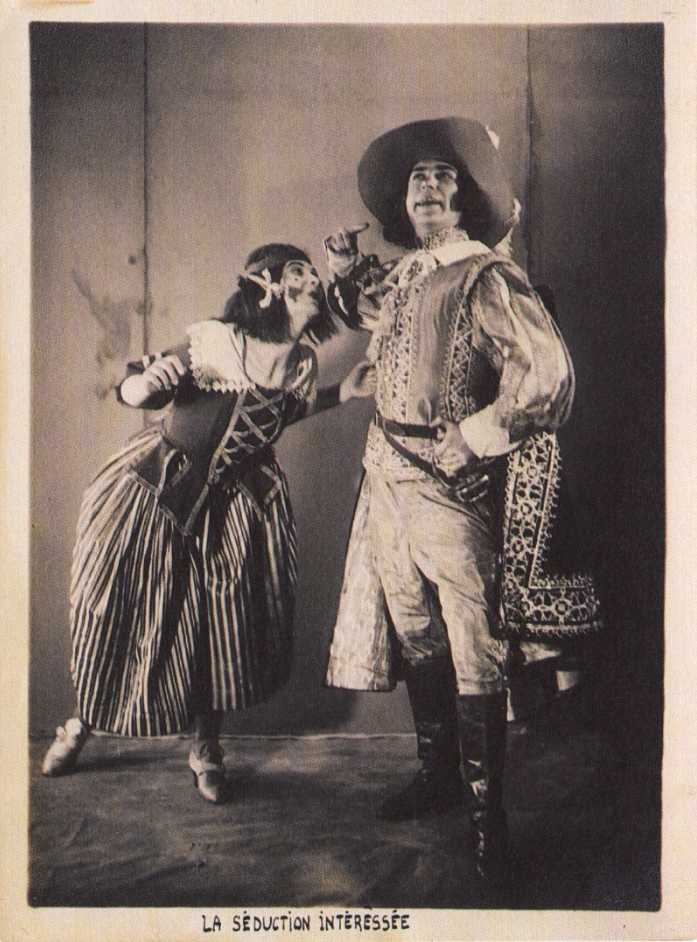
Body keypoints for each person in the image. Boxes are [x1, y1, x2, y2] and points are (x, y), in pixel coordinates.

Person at [323, 117, 601, 891]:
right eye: (416, 178)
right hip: (385, 473)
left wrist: (474, 437)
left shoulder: (486, 276)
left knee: (472, 642)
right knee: (414, 629)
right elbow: (369, 314)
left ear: (466, 199)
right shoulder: (408, 274)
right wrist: (343, 270)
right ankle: (437, 774)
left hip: (448, 484)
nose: (426, 188)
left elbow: (547, 375)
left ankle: (488, 820)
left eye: (442, 177)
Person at [41, 242, 375, 804]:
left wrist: (342, 392)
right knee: (128, 614)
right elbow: (137, 386)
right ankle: (79, 726)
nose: (314, 281)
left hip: (237, 507)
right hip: (162, 493)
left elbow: (285, 411)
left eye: (313, 274)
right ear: (267, 287)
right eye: (299, 272)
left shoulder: (300, 362)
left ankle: (206, 748)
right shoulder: (217, 342)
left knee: (220, 626)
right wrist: (145, 383)